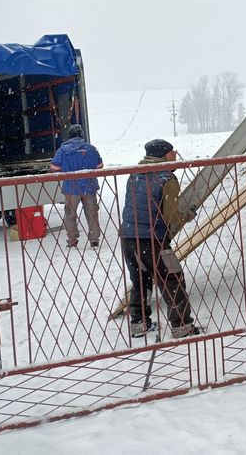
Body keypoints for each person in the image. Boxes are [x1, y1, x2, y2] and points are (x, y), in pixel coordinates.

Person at [121, 138, 200, 339]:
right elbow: (171, 214)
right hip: (153, 240)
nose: (175, 155)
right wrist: (187, 215)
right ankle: (182, 326)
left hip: (129, 237)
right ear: (164, 155)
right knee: (172, 278)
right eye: (173, 151)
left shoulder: (135, 174)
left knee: (140, 279)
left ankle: (139, 324)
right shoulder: (166, 178)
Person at [50, 124, 103, 248]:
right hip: (89, 186)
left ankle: (72, 240)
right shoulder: (91, 148)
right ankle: (94, 240)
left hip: (71, 188)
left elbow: (54, 167)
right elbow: (100, 166)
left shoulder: (62, 150)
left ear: (70, 136)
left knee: (70, 215)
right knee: (92, 214)